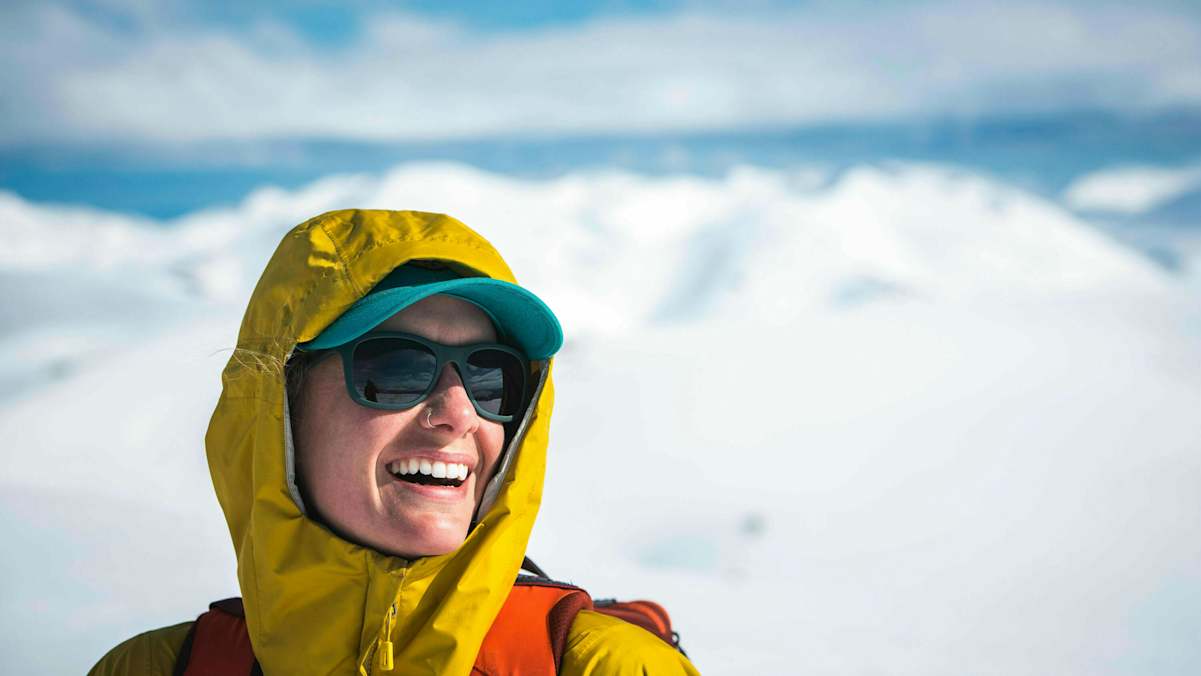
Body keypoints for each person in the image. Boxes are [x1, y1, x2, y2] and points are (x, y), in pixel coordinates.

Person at [89, 209, 698, 675]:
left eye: (492, 377)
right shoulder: (154, 669)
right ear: (277, 407)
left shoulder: (606, 666)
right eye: (397, 369)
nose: (459, 413)